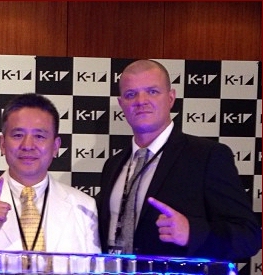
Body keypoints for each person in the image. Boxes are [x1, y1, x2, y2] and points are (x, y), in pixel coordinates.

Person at [96, 59, 261, 261]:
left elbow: (248, 236)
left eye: (152, 91)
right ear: (122, 103)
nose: (141, 101)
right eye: (131, 94)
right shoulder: (113, 165)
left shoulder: (207, 156)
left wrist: (193, 233)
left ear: (171, 97)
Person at [0, 93, 101, 255]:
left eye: (39, 136)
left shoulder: (83, 206)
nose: (28, 145)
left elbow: (95, 269)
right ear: (2, 144)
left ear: (55, 146)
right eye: (18, 135)